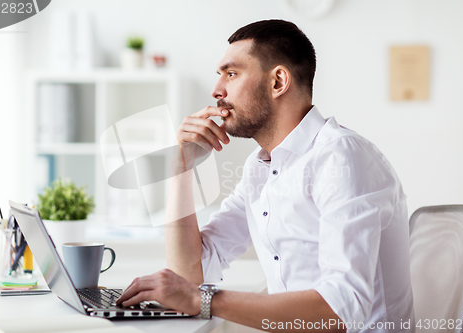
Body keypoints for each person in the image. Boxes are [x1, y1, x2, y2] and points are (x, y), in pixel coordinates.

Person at [117, 19, 414, 333]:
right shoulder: (260, 167)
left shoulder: (341, 157)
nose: (217, 90)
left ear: (278, 82)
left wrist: (204, 300)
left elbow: (340, 310)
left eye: (231, 74)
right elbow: (190, 274)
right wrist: (181, 167)